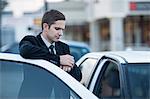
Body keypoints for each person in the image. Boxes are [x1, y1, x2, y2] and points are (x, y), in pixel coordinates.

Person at [19, 9, 82, 81]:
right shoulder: (31, 41)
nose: (61, 33)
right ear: (46, 27)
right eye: (57, 29)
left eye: (62, 30)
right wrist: (58, 60)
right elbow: (25, 51)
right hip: (35, 91)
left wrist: (70, 67)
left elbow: (78, 77)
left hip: (59, 92)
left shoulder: (63, 47)